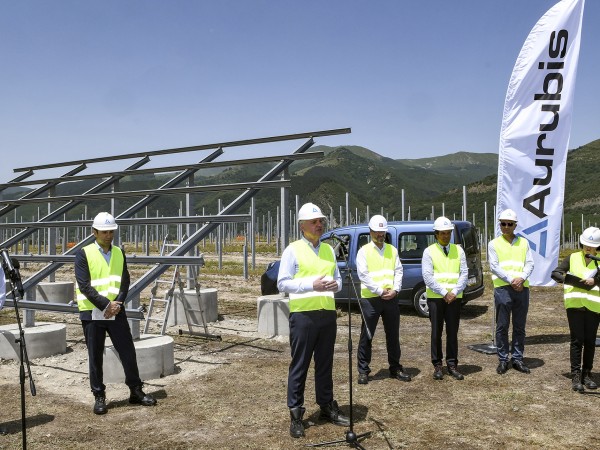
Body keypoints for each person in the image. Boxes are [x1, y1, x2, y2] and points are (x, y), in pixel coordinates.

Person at [277, 202, 350, 439]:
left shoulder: (329, 250)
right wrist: (311, 285)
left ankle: (326, 406)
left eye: (321, 222)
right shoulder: (292, 250)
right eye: (315, 222)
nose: (320, 225)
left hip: (327, 315)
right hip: (303, 317)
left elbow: (337, 279)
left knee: (325, 363)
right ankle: (296, 413)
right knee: (300, 365)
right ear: (302, 226)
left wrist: (335, 285)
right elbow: (282, 283)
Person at [75, 212, 157, 415]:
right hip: (93, 312)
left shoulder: (119, 252)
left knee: (127, 351)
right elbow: (84, 285)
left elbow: (124, 280)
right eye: (104, 232)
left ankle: (135, 391)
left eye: (111, 231)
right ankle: (99, 395)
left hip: (116, 311)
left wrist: (117, 303)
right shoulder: (83, 254)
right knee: (95, 356)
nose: (109, 235)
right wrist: (106, 305)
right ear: (94, 232)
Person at [356, 214, 410, 385]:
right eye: (377, 232)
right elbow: (363, 275)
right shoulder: (363, 251)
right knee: (367, 335)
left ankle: (395, 368)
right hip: (371, 299)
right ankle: (363, 370)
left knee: (393, 335)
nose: (380, 235)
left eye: (383, 232)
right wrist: (379, 291)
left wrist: (396, 289)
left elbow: (399, 271)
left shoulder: (392, 250)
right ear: (370, 231)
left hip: (391, 298)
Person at [551, 226, 600, 392]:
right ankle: (576, 376)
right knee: (577, 340)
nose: (588, 247)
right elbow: (556, 273)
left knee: (590, 342)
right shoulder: (572, 257)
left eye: (592, 245)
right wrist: (567, 279)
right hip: (575, 305)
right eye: (586, 244)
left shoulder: (599, 261)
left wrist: (596, 281)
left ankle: (587, 374)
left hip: (594, 306)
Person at [421, 216, 468, 380]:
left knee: (452, 332)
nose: (446, 236)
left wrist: (454, 292)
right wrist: (444, 292)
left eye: (448, 233)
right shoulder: (429, 252)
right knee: (436, 332)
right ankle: (437, 365)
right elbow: (428, 277)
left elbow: (464, 273)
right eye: (442, 233)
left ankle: (452, 364)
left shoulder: (459, 250)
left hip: (454, 298)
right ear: (436, 234)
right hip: (436, 298)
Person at [488, 209, 534, 375]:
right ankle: (502, 359)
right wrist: (512, 280)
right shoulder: (493, 244)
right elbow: (494, 266)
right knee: (502, 326)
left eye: (509, 224)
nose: (506, 227)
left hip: (522, 288)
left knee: (520, 326)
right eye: (503, 224)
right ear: (499, 224)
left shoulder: (524, 243)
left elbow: (530, 263)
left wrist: (521, 278)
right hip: (503, 289)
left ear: (515, 225)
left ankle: (517, 358)